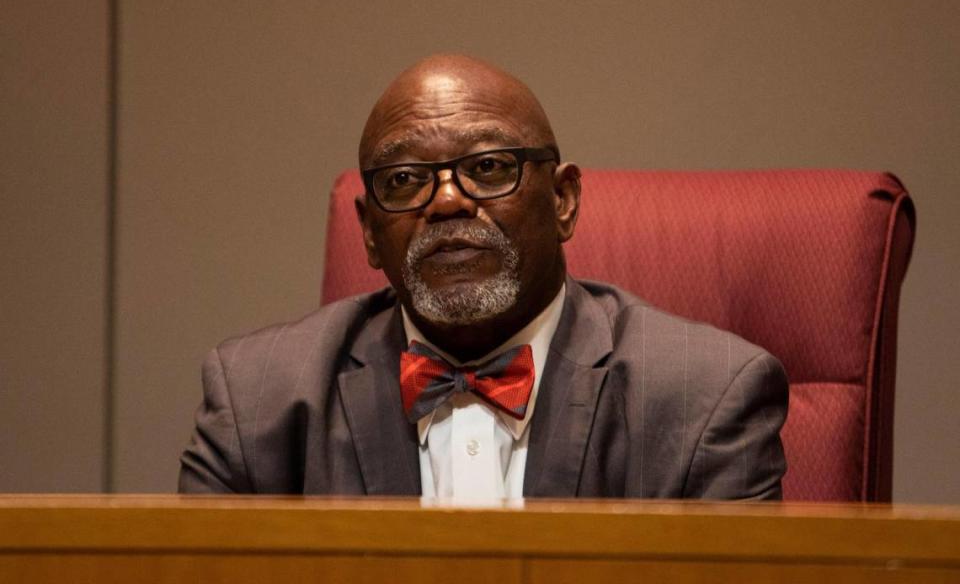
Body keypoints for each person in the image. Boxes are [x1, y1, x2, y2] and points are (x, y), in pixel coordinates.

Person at [179, 54, 788, 499]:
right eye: (404, 180)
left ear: (564, 200)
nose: (445, 202)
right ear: (367, 230)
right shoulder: (256, 402)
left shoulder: (703, 400)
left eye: (490, 167)